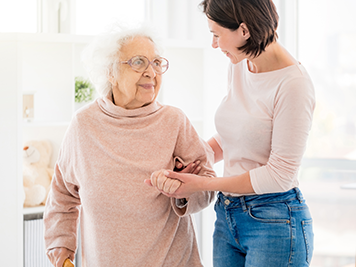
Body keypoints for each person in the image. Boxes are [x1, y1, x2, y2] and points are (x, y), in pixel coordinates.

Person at [148, 0, 315, 266]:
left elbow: (280, 175)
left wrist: (203, 184)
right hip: (228, 215)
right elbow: (234, 138)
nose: (214, 44)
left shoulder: (293, 85)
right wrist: (194, 161)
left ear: (244, 31)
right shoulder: (240, 63)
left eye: (216, 34)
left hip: (274, 220)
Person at [43, 25, 216, 267]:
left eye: (156, 63)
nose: (151, 72)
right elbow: (62, 197)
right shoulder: (83, 125)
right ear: (110, 72)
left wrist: (184, 191)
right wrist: (61, 253)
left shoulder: (174, 121)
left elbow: (209, 185)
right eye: (138, 62)